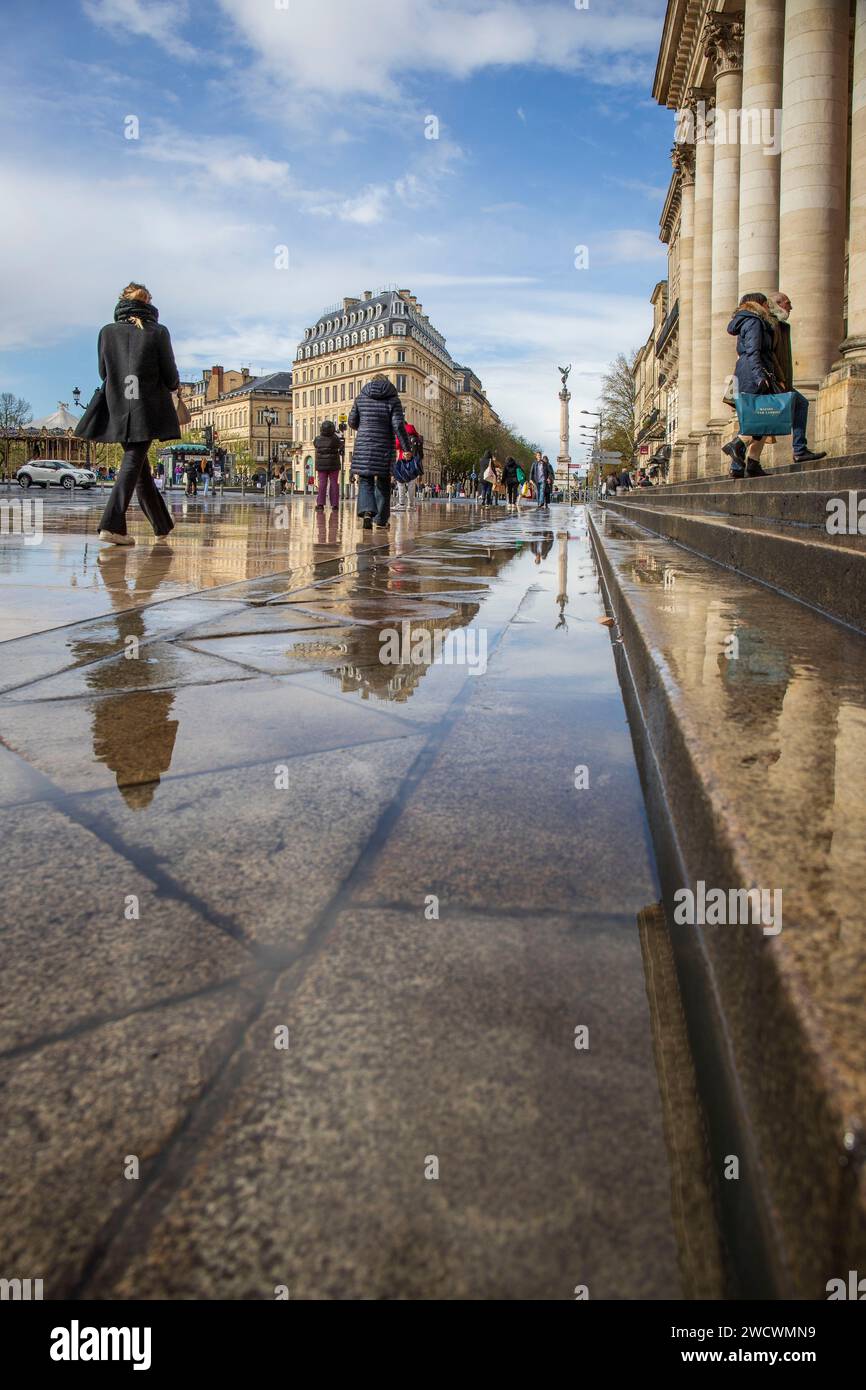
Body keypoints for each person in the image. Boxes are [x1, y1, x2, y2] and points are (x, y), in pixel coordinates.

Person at [76, 282, 179, 545]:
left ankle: (161, 525)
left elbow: (104, 372)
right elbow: (170, 377)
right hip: (147, 407)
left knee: (139, 466)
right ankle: (111, 524)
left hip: (118, 405)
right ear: (149, 304)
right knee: (134, 462)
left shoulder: (107, 332)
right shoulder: (158, 331)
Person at [766, 291, 826, 466]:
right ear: (778, 304)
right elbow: (769, 354)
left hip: (781, 380)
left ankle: (799, 450)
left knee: (799, 404)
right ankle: (738, 448)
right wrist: (778, 378)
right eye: (788, 303)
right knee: (760, 420)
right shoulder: (771, 325)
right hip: (775, 380)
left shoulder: (779, 325)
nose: (791, 307)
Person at [347, 375, 412, 530]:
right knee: (383, 482)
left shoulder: (361, 398)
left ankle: (367, 512)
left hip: (363, 445)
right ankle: (381, 520)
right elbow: (398, 425)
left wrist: (364, 428)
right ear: (387, 383)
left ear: (371, 383)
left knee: (365, 480)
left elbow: (351, 421)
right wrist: (406, 448)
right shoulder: (393, 400)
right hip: (384, 446)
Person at [313, 418, 344, 511]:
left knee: (322, 483)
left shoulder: (317, 439)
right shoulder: (335, 439)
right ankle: (335, 504)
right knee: (334, 483)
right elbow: (340, 445)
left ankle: (320, 504)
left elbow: (315, 444)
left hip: (321, 464)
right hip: (334, 464)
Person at [394, 422, 422, 512]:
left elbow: (397, 445)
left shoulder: (401, 431)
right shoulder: (415, 434)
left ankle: (402, 503)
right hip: (414, 462)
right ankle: (411, 505)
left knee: (400, 482)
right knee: (411, 484)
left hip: (403, 460)